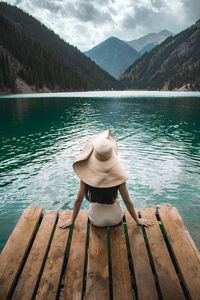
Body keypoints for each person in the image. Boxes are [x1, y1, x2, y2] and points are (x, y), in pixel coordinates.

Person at [58, 130, 154, 229]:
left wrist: (72, 220)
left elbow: (78, 200)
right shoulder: (119, 175)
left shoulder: (86, 175)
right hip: (116, 219)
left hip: (96, 220)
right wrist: (137, 220)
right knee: (119, 203)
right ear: (111, 154)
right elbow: (127, 201)